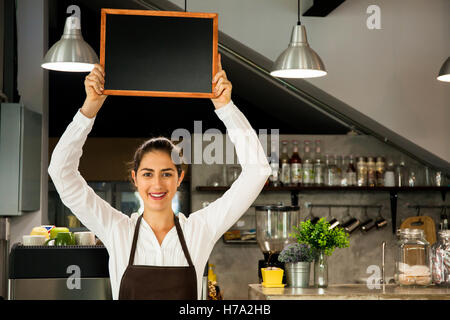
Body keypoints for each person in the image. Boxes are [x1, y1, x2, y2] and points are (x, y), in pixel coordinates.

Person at [48, 54, 271, 300]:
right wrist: (88, 109)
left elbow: (258, 171)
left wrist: (225, 108)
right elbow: (60, 172)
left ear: (179, 177)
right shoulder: (116, 230)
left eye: (166, 173)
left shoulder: (200, 230)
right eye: (147, 174)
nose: (157, 184)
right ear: (135, 179)